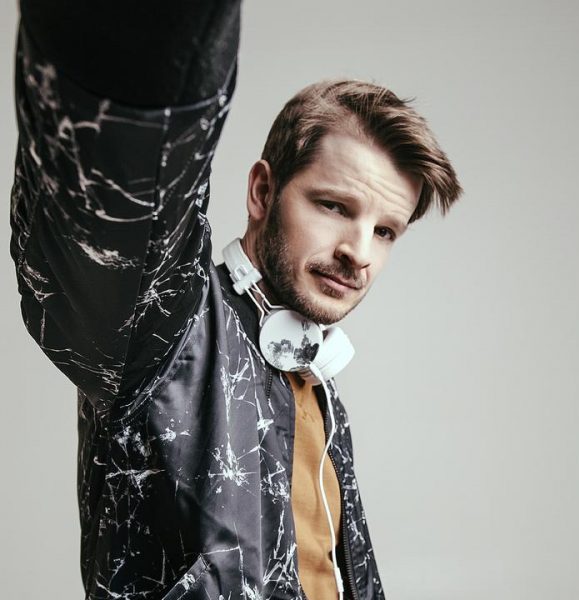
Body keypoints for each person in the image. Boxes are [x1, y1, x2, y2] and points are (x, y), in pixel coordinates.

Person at [10, 2, 461, 599]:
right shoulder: (170, 332)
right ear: (262, 191)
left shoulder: (317, 384)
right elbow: (124, 176)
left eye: (385, 232)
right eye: (334, 206)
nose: (359, 252)